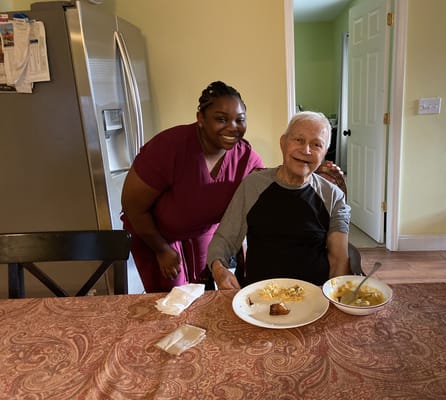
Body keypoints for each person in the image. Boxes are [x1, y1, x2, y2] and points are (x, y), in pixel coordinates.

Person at [121, 81, 264, 292]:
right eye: (221, 119)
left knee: (203, 291)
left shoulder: (245, 157)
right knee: (173, 298)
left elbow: (269, 190)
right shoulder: (169, 147)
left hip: (202, 231)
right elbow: (132, 204)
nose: (233, 127)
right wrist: (161, 249)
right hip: (155, 234)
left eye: (239, 120)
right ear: (201, 119)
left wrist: (311, 174)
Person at [207, 111, 351, 289]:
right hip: (260, 297)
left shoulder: (334, 196)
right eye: (298, 140)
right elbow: (223, 239)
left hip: (313, 298)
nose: (306, 150)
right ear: (283, 143)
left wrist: (331, 304)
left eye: (316, 144)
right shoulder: (253, 185)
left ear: (324, 153)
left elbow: (339, 260)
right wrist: (219, 270)